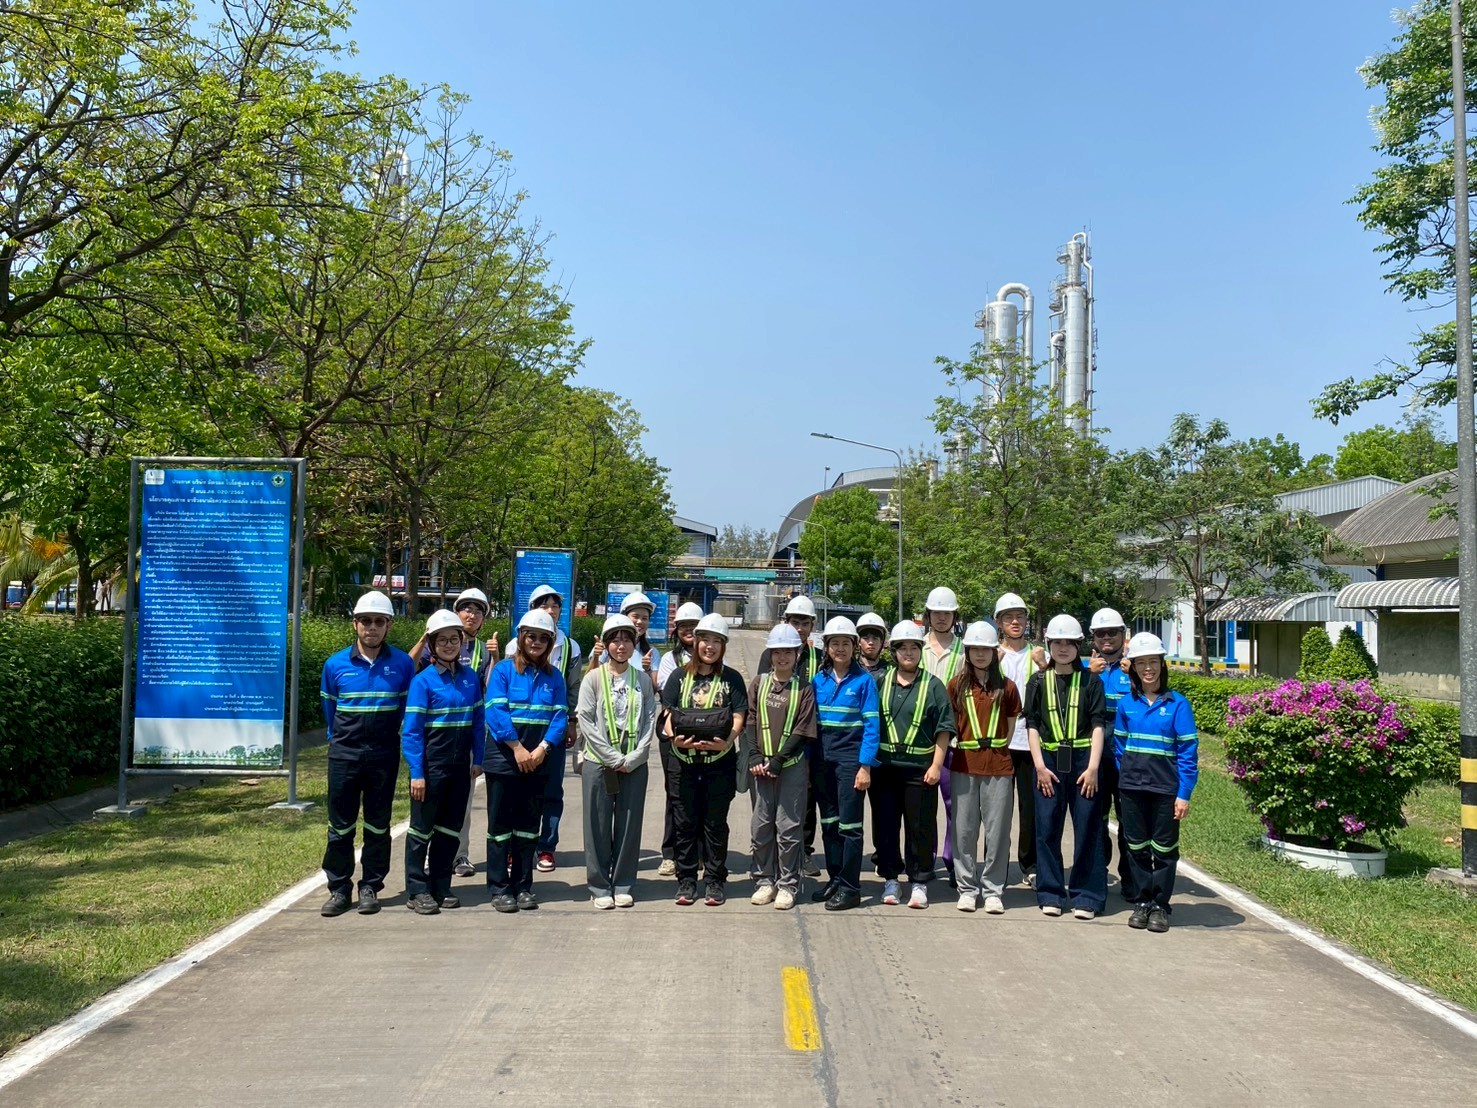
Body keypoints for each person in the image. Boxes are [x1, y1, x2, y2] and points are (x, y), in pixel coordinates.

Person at [319, 591, 414, 917]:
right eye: (365, 621)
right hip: (344, 755)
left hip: (383, 755)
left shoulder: (402, 664)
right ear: (355, 624)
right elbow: (330, 711)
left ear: (388, 625)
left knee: (377, 824)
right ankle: (339, 888)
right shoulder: (335, 665)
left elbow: (405, 709)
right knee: (340, 825)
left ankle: (371, 885)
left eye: (378, 621)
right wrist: (342, 742)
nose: (371, 627)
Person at [1024, 614, 1110, 920]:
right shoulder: (1037, 681)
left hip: (1084, 761)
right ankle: (1051, 892)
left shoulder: (1091, 681)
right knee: (1047, 827)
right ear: (1048, 645)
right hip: (1048, 761)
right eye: (1057, 642)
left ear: (1078, 646)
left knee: (1088, 827)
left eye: (1069, 643)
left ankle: (1087, 895)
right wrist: (1039, 766)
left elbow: (1098, 724)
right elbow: (1032, 724)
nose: (1063, 648)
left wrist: (1093, 768)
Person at [1114, 632, 1199, 933]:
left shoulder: (1178, 705)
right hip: (1132, 789)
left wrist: (1184, 793)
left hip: (1165, 790)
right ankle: (1142, 902)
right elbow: (1119, 748)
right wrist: (1127, 776)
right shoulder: (1126, 705)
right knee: (1135, 846)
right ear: (1133, 668)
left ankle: (1160, 906)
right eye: (1141, 663)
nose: (1147, 668)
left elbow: (1188, 753)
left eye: (1153, 662)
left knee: (1164, 849)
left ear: (1162, 664)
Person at [484, 609, 568, 913]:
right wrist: (517, 748)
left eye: (543, 638)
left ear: (550, 643)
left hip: (538, 761)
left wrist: (543, 748)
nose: (536, 642)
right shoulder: (504, 671)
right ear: (521, 637)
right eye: (531, 636)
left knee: (528, 827)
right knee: (500, 826)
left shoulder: (554, 677)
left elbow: (560, 716)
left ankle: (523, 886)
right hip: (504, 759)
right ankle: (499, 888)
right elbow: (495, 710)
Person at [401, 609, 484, 915]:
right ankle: (417, 890)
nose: (449, 645)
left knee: (450, 830)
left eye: (454, 639)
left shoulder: (470, 678)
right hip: (430, 767)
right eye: (442, 640)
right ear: (431, 644)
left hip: (460, 767)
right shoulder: (422, 682)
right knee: (421, 830)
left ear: (462, 642)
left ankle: (440, 885)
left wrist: (478, 759)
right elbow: (411, 732)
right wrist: (417, 773)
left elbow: (478, 722)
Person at [662, 612, 748, 906]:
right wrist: (673, 737)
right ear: (696, 642)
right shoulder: (679, 677)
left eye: (716, 641)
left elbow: (739, 714)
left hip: (719, 763)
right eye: (705, 640)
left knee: (715, 824)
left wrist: (729, 739)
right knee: (684, 823)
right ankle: (686, 880)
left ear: (723, 646)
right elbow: (667, 712)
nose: (710, 646)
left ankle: (714, 880)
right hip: (682, 762)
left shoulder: (732, 679)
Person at [413, 587, 498, 880]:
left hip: (466, 736)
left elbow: (489, 692)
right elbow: (408, 669)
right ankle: (428, 858)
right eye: (466, 608)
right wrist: (426, 636)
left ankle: (459, 854)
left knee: (462, 802)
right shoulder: (435, 643)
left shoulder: (484, 651)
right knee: (430, 802)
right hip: (435, 740)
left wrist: (495, 657)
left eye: (477, 610)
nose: (471, 615)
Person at [872, 620, 956, 909]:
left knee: (920, 827)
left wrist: (936, 766)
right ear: (893, 652)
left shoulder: (933, 686)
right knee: (885, 826)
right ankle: (891, 879)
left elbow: (943, 729)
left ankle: (919, 882)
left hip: (920, 769)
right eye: (902, 648)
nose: (908, 653)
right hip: (884, 768)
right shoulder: (880, 681)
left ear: (921, 651)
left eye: (914, 648)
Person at [577, 614, 657, 909]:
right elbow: (586, 720)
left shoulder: (642, 680)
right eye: (615, 640)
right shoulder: (593, 679)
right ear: (606, 643)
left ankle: (623, 882)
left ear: (634, 644)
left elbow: (650, 719)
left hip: (633, 762)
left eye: (627, 640)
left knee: (629, 824)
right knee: (596, 825)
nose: (621, 646)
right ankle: (599, 886)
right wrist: (612, 757)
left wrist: (635, 756)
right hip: (599, 762)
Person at [504, 584, 583, 875]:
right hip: (521, 732)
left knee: (551, 791)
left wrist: (571, 722)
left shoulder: (571, 646)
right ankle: (515, 848)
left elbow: (572, 687)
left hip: (553, 730)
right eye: (544, 605)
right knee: (517, 792)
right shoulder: (513, 647)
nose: (550, 610)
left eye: (555, 606)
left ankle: (547, 847)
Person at [947, 621, 1022, 914]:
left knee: (998, 832)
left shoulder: (1008, 688)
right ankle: (967, 888)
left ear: (994, 652)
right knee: (963, 831)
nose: (980, 654)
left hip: (999, 766)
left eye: (986, 649)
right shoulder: (956, 686)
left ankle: (993, 889)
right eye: (974, 649)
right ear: (967, 652)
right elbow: (951, 724)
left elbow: (1011, 727)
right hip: (964, 765)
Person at [744, 624, 818, 910]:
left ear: (797, 654)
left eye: (788, 651)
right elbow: (751, 720)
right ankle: (764, 880)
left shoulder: (804, 689)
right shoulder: (759, 683)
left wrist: (778, 761)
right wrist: (754, 756)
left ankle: (788, 883)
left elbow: (802, 730)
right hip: (761, 768)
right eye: (777, 652)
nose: (782, 657)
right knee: (761, 826)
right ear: (770, 654)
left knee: (788, 828)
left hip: (791, 767)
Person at [810, 616, 881, 911]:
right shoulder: (818, 679)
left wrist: (865, 766)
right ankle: (836, 879)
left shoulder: (864, 681)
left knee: (850, 826)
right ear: (826, 647)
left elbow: (872, 727)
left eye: (845, 643)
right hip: (822, 761)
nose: (840, 648)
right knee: (829, 824)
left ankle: (851, 888)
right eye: (834, 643)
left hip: (850, 761)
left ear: (854, 646)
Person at [759, 595, 826, 877]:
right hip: (777, 739)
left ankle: (804, 852)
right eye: (795, 622)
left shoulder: (820, 656)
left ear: (813, 626)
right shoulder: (771, 654)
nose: (799, 628)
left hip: (810, 736)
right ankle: (773, 855)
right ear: (786, 621)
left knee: (806, 799)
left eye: (805, 623)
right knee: (772, 803)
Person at [1087, 607, 1136, 899]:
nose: (1107, 638)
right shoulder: (1085, 668)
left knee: (1128, 818)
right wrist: (1086, 675)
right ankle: (1098, 872)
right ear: (1093, 637)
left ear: (1123, 635)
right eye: (1101, 633)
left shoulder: (1135, 668)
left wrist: (1136, 677)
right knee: (1097, 816)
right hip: (1096, 753)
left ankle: (1130, 878)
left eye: (1113, 633)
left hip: (1126, 753)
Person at [655, 600, 704, 877]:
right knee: (675, 793)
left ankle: (698, 851)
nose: (688, 631)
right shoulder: (668, 660)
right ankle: (670, 853)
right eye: (684, 626)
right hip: (673, 734)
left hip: (706, 734)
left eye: (693, 626)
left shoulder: (715, 657)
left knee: (702, 792)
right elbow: (668, 696)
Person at [995, 592, 1040, 888]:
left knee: (1029, 808)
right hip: (999, 742)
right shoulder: (990, 655)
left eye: (1020, 616)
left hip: (1028, 743)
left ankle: (1029, 865)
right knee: (997, 810)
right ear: (999, 622)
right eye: (1008, 617)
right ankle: (996, 866)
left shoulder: (1038, 655)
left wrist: (1045, 666)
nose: (1015, 622)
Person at [921, 586, 965, 885]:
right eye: (936, 613)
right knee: (924, 806)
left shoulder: (965, 649)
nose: (941, 618)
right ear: (928, 615)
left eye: (947, 613)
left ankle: (952, 861)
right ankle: (926, 858)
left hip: (953, 739)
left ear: (954, 616)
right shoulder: (916, 646)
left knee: (954, 805)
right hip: (921, 738)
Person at [855, 612, 891, 682]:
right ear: (858, 641)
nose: (871, 642)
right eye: (866, 638)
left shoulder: (890, 670)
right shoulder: (850, 668)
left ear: (881, 642)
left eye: (875, 638)